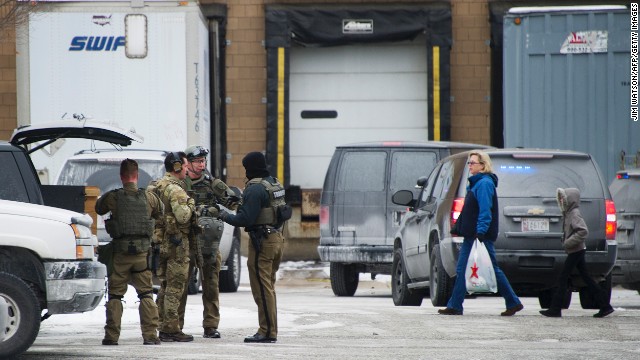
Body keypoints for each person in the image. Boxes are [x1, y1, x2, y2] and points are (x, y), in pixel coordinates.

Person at [439, 151, 524, 316]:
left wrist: (481, 231)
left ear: (483, 166)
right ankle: (455, 305)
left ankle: (513, 301)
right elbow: (470, 210)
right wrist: (459, 226)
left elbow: (485, 211)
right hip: (472, 234)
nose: (469, 166)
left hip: (479, 235)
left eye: (473, 163)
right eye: (469, 163)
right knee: (464, 268)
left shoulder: (484, 184)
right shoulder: (476, 183)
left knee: (490, 268)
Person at [218, 151, 289, 343]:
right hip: (277, 238)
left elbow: (244, 219)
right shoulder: (274, 183)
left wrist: (223, 215)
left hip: (262, 242)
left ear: (250, 168)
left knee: (261, 288)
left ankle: (266, 331)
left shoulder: (255, 188)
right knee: (269, 287)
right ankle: (270, 330)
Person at [96, 159, 163, 346]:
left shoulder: (113, 197)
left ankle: (111, 336)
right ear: (137, 176)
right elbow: (161, 212)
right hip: (142, 255)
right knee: (146, 294)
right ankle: (150, 335)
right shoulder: (149, 197)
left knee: (115, 296)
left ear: (121, 176)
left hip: (120, 255)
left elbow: (98, 208)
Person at [177, 145, 240, 339]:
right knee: (180, 285)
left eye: (203, 161)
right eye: (197, 161)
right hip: (186, 243)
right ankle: (175, 325)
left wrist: (221, 210)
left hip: (209, 244)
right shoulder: (179, 185)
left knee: (212, 285)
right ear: (187, 163)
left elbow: (235, 201)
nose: (201, 164)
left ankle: (211, 326)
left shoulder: (213, 184)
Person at [540, 188, 615, 318]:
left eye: (564, 198)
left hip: (576, 250)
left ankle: (556, 309)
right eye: (561, 198)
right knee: (587, 278)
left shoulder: (574, 213)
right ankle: (605, 306)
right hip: (577, 250)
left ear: (570, 200)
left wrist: (568, 242)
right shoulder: (568, 213)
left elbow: (583, 231)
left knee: (563, 278)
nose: (562, 200)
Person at [151, 151, 197, 342]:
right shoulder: (176, 189)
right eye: (185, 166)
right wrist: (191, 204)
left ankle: (161, 323)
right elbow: (183, 217)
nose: (187, 170)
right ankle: (170, 329)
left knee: (164, 285)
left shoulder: (156, 185)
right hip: (177, 244)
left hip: (161, 242)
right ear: (177, 167)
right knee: (175, 287)